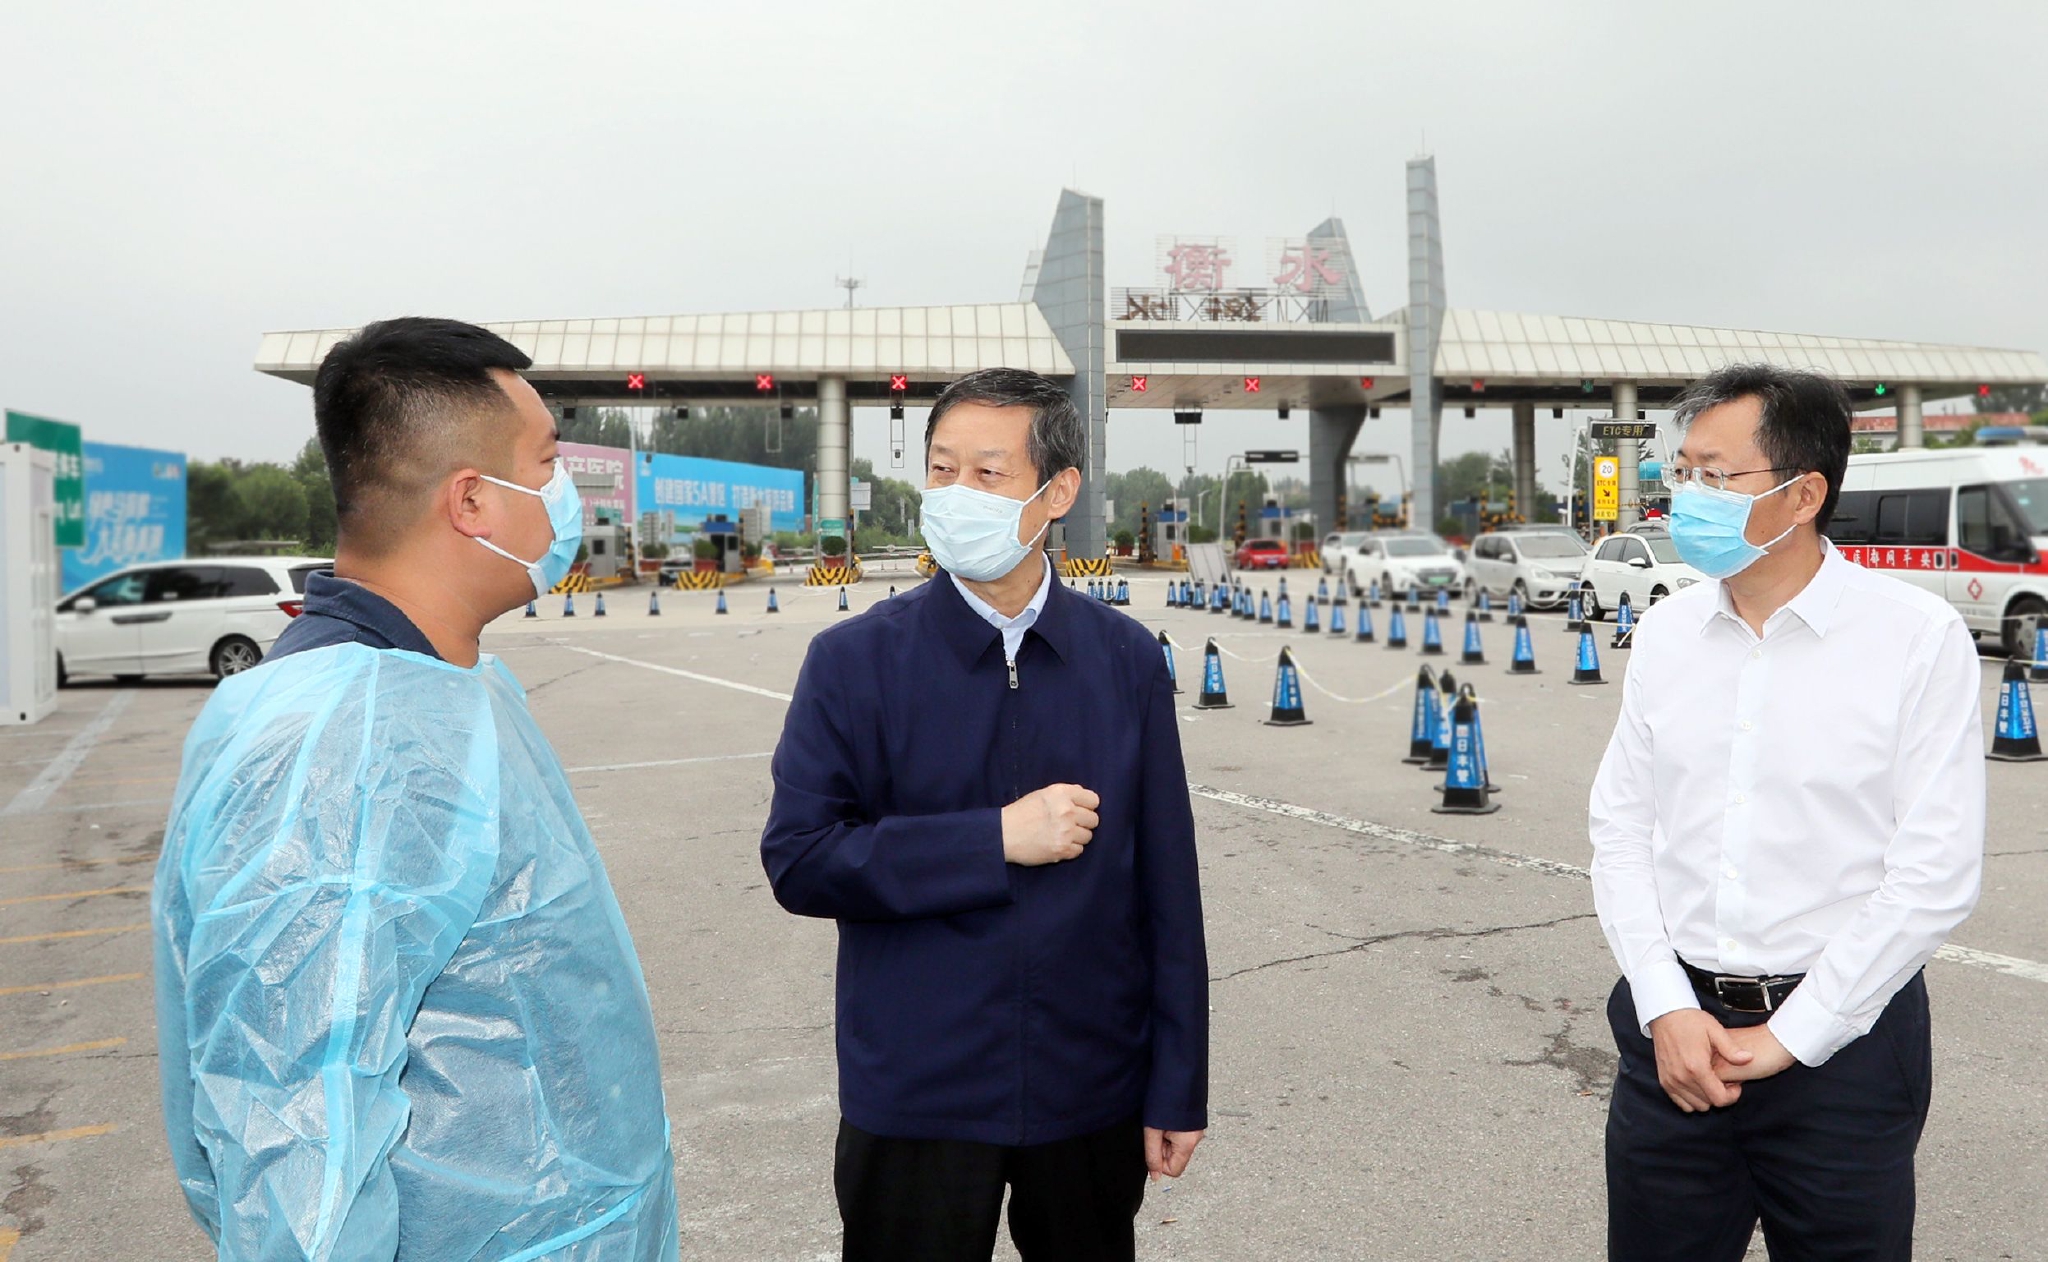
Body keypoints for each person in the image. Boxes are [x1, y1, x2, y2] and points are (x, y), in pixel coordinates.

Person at [151, 317, 679, 1261]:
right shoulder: (348, 746)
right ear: (473, 500)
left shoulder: (445, 691)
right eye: (547, 463)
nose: (565, 496)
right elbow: (298, 1134)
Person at [760, 367, 1208, 1262]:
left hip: (1089, 1088)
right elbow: (801, 859)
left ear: (1058, 492)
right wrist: (991, 840)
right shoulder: (853, 663)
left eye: (988, 474)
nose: (956, 495)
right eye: (942, 469)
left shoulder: (1122, 661)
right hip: (918, 1095)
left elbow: (1167, 885)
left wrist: (1178, 1085)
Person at [1589, 362, 1984, 1261]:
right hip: (1674, 1045)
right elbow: (1621, 830)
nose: (1687, 497)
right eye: (1680, 473)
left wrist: (1789, 1037)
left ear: (1803, 493)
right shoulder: (1665, 634)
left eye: (1716, 476)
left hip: (1844, 1052)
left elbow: (1933, 875)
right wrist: (1664, 1006)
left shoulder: (1913, 641)